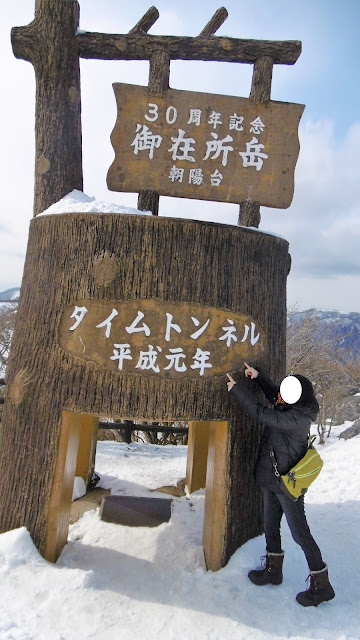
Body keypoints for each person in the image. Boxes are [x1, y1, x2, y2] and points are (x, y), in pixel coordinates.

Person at [226, 363, 335, 607]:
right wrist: (258, 377)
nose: (282, 396)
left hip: (288, 484)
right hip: (273, 479)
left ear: (300, 397)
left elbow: (261, 413)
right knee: (270, 525)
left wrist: (236, 390)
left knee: (300, 534)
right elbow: (276, 394)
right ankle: (273, 571)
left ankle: (322, 585)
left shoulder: (297, 418)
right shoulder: (290, 404)